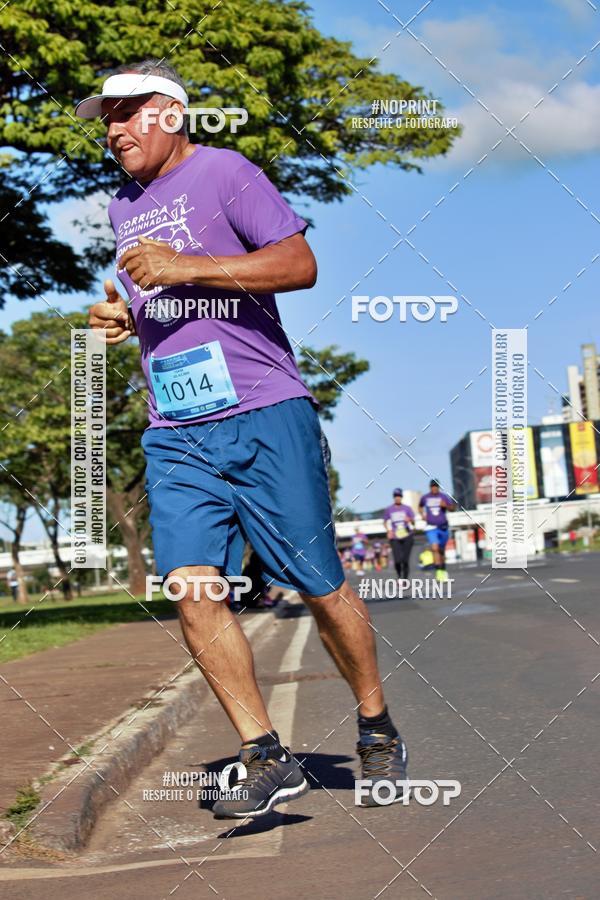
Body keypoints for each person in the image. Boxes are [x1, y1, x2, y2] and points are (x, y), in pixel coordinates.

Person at [81, 59, 408, 816]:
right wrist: (126, 317)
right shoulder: (122, 204)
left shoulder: (227, 172)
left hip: (264, 410)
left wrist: (188, 266)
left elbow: (299, 263)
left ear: (170, 112)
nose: (115, 130)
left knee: (320, 586)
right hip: (177, 429)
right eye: (107, 118)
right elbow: (159, 294)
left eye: (128, 113)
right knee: (193, 590)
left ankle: (376, 725)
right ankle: (265, 754)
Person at [418, 479, 456, 582]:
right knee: (435, 548)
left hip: (443, 527)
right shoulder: (425, 497)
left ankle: (443, 570)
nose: (434, 488)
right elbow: (420, 506)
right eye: (432, 486)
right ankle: (438, 573)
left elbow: (453, 508)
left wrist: (446, 506)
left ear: (438, 487)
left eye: (436, 486)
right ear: (430, 487)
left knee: (441, 551)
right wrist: (422, 515)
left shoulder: (443, 496)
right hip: (431, 527)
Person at [383, 489, 415, 583]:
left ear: (401, 497)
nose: (397, 498)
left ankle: (405, 579)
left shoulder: (407, 508)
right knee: (397, 560)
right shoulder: (389, 509)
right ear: (394, 497)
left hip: (407, 535)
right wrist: (388, 530)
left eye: (399, 496)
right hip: (395, 537)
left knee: (405, 560)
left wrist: (409, 519)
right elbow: (385, 522)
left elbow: (413, 522)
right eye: (396, 496)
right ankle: (399, 575)